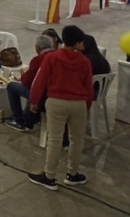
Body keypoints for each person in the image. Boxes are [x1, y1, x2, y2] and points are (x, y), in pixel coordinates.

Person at [27, 26, 94, 190]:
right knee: (76, 140)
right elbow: (88, 87)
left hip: (56, 102)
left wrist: (34, 101)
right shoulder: (85, 61)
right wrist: (87, 105)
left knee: (54, 140)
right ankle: (72, 174)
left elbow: (40, 80)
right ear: (77, 42)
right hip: (78, 104)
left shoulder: (52, 57)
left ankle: (49, 176)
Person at [4, 35, 55, 132]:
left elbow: (27, 81)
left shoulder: (38, 60)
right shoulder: (57, 56)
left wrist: (23, 74)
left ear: (37, 48)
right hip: (55, 95)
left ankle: (18, 121)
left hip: (42, 95)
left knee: (11, 86)